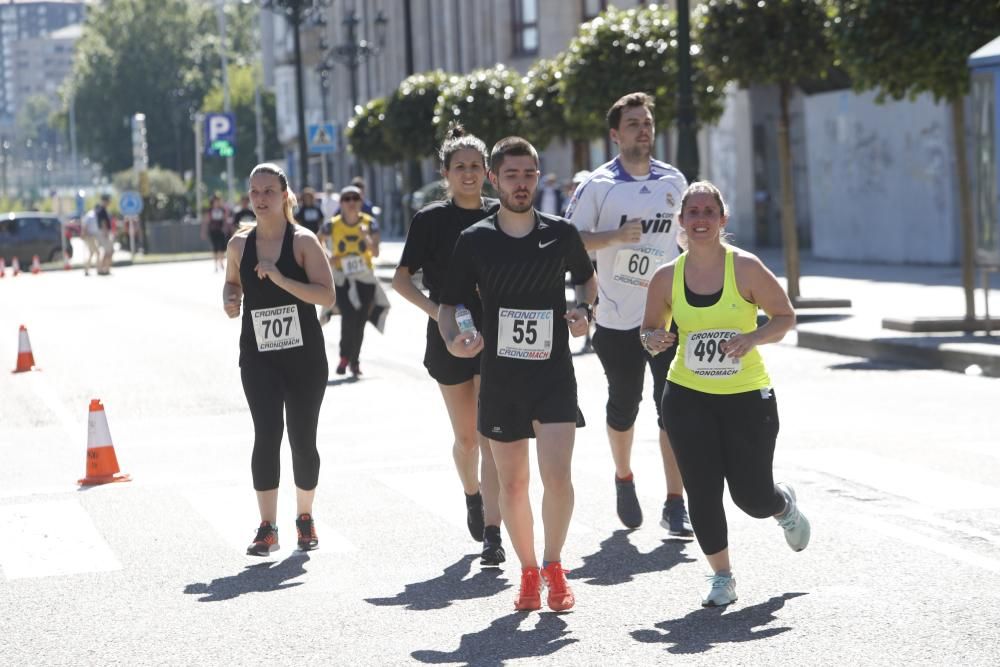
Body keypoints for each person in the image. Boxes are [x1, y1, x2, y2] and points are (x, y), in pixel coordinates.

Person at [439, 136, 597, 612]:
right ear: (495, 179)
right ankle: (528, 571)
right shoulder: (476, 240)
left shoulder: (560, 233)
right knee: (511, 485)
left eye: (529, 174)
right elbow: (451, 303)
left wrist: (583, 311)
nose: (522, 183)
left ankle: (554, 565)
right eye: (512, 175)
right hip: (501, 377)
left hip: (552, 375)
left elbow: (586, 278)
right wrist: (455, 338)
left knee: (558, 478)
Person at [641, 180, 810, 607]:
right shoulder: (666, 277)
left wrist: (752, 338)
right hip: (686, 395)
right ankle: (722, 577)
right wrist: (655, 339)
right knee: (701, 490)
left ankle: (782, 505)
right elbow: (649, 330)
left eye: (708, 212)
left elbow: (784, 316)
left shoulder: (746, 268)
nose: (700, 220)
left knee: (751, 497)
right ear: (680, 221)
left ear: (722, 219)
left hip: (746, 397)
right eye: (692, 212)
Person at [567, 92, 693, 536]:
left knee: (672, 407)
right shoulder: (598, 186)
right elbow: (571, 239)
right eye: (634, 123)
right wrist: (615, 236)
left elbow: (687, 238)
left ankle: (675, 501)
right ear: (615, 134)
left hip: (666, 316)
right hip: (616, 317)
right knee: (625, 404)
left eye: (648, 122)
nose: (644, 129)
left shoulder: (673, 181)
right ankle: (624, 477)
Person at [392, 124, 505, 566]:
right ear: (446, 173)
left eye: (476, 166)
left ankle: (493, 532)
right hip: (448, 334)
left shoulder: (500, 215)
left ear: (488, 172)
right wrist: (437, 314)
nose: (469, 174)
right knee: (467, 439)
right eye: (460, 167)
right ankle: (472, 494)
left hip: (496, 333)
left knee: (490, 433)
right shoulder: (430, 220)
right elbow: (402, 280)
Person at [222, 163, 336, 556]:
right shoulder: (239, 245)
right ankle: (266, 526)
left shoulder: (303, 242)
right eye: (254, 192)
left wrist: (282, 279)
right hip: (259, 358)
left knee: (302, 441)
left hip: (304, 359)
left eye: (269, 191)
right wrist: (230, 300)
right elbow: (231, 285)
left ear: (285, 195)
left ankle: (304, 516)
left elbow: (327, 296)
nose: (260, 199)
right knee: (266, 435)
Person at [318, 184, 380, 376]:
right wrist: (328, 255)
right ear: (341, 203)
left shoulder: (370, 223)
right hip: (341, 277)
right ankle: (345, 357)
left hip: (364, 277)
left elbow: (376, 252)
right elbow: (316, 240)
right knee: (349, 314)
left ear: (361, 201)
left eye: (355, 198)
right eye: (347, 199)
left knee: (361, 319)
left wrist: (366, 237)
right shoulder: (332, 224)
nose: (351, 202)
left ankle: (355, 360)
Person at [203, 194, 231, 272]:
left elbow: (226, 220)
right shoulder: (210, 210)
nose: (217, 203)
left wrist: (226, 228)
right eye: (215, 201)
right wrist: (204, 232)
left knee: (222, 247)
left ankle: (221, 262)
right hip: (213, 231)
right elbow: (206, 221)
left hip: (221, 231)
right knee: (215, 248)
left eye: (218, 201)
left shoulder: (223, 210)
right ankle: (215, 265)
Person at [95, 194, 114, 275]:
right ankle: (103, 268)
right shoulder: (102, 210)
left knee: (109, 251)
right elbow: (103, 222)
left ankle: (104, 268)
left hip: (103, 232)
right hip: (104, 232)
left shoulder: (101, 209)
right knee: (109, 251)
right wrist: (106, 232)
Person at [80, 204, 101, 276]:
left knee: (91, 253)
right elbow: (85, 225)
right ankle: (98, 269)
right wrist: (84, 234)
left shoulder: (93, 215)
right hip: (90, 236)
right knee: (97, 253)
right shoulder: (91, 215)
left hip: (93, 236)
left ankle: (86, 269)